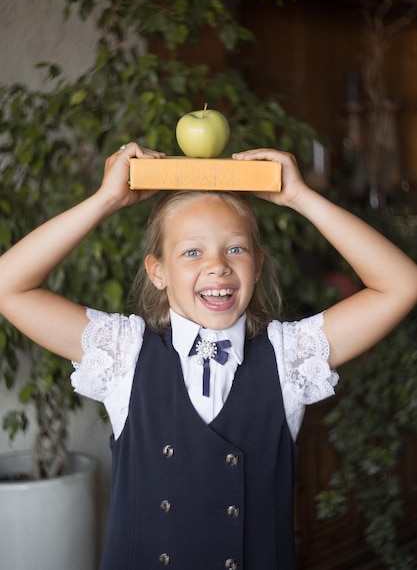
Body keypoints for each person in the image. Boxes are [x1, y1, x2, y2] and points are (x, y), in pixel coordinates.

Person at [0, 143, 416, 570]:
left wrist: (300, 196)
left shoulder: (290, 359)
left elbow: (401, 284)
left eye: (235, 249)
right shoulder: (122, 353)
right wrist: (106, 199)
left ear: (257, 264)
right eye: (192, 252)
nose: (217, 266)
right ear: (157, 271)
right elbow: (8, 285)